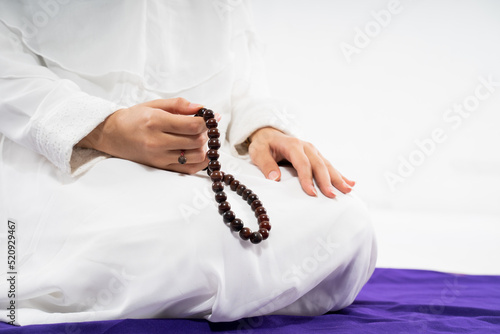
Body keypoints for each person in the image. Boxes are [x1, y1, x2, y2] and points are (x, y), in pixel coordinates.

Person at [0, 0, 376, 326]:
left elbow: (241, 70)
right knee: (192, 237)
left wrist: (261, 129)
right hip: (67, 160)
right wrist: (103, 128)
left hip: (206, 164)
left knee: (348, 223)